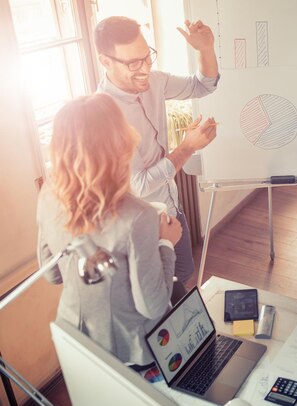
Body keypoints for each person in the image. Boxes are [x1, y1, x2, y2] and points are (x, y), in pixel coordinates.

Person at [37, 94, 182, 366]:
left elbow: (52, 273)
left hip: (75, 339)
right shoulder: (138, 216)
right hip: (129, 351)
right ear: (119, 143)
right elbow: (152, 307)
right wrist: (166, 244)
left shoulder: (47, 194)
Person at [95, 16, 219, 297]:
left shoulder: (154, 80)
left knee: (183, 280)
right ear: (105, 61)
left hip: (171, 210)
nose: (145, 69)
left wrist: (206, 49)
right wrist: (187, 147)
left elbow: (204, 85)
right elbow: (138, 185)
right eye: (133, 63)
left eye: (147, 57)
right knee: (159, 303)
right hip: (139, 229)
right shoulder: (104, 115)